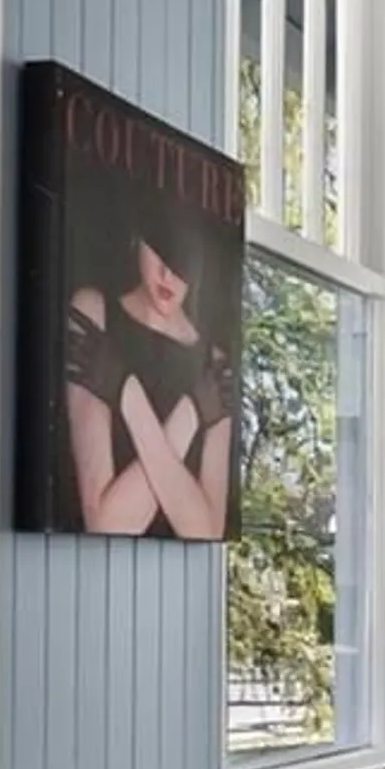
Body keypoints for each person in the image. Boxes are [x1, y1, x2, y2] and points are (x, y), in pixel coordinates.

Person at [61, 203, 234, 537]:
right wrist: (193, 412)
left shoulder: (215, 362)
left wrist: (130, 396)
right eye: (159, 250)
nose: (168, 275)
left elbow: (206, 532)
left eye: (182, 261)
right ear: (137, 240)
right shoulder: (94, 313)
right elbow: (107, 525)